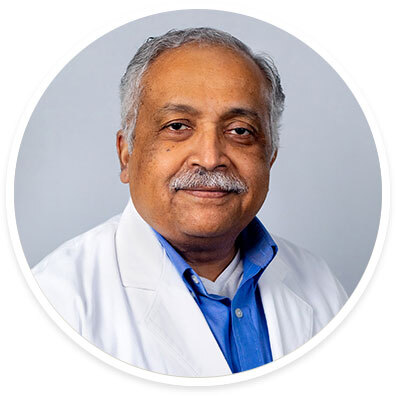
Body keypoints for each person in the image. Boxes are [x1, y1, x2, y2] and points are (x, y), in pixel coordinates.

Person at [33, 27, 347, 377]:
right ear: (126, 155)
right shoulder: (54, 302)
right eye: (178, 126)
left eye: (240, 131)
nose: (210, 158)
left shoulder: (321, 286)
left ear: (270, 156)